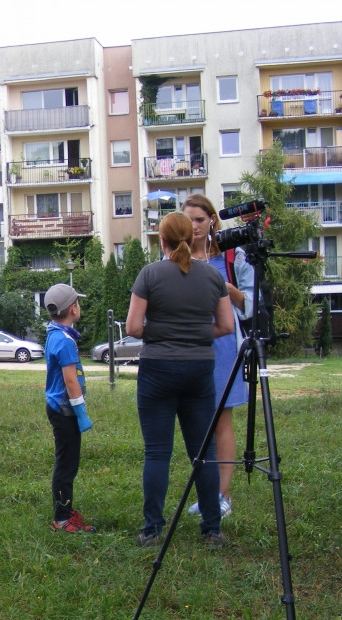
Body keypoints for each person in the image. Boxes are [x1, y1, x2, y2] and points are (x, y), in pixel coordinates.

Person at [126, 212, 234, 547]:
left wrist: (162, 334)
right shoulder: (212, 276)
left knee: (157, 452)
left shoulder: (150, 274)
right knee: (203, 451)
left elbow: (132, 328)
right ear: (192, 236)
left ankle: (152, 529)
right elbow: (227, 326)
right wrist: (197, 336)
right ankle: (212, 529)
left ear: (162, 240)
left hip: (158, 368)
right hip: (200, 369)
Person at [182, 194, 255, 519]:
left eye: (200, 219)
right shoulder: (177, 258)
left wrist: (224, 287)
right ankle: (207, 494)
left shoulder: (230, 256)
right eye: (189, 220)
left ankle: (223, 495)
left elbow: (252, 304)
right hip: (188, 347)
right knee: (198, 424)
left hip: (225, 346)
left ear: (212, 219)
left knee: (221, 420)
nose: (194, 226)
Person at [42, 283, 97, 533]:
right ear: (73, 309)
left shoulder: (54, 334)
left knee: (67, 462)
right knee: (66, 464)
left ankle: (65, 508)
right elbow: (70, 380)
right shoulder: (65, 342)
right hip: (65, 411)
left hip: (58, 408)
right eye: (79, 302)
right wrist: (82, 413)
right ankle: (62, 518)